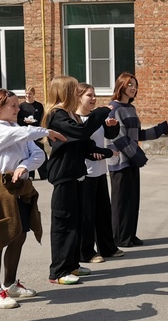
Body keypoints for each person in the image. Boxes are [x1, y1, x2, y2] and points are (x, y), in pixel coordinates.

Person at [0, 89, 67, 308]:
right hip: (0, 188)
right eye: (13, 106)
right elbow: (22, 134)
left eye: (18, 105)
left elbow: (38, 154)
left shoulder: (15, 127)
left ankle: (10, 284)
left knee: (19, 235)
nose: (18, 109)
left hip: (19, 186)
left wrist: (24, 166)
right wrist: (46, 131)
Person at [42, 76, 117, 285]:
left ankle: (72, 264)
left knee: (75, 222)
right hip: (64, 175)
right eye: (75, 90)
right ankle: (58, 271)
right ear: (65, 92)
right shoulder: (56, 115)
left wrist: (106, 152)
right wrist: (101, 112)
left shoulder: (70, 115)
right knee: (63, 223)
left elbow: (83, 143)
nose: (78, 94)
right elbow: (81, 132)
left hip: (77, 173)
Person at [107, 72, 168, 248]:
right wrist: (137, 156)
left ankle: (130, 234)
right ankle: (120, 237)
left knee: (132, 200)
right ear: (121, 86)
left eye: (135, 85)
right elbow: (118, 137)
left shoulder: (130, 108)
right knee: (121, 202)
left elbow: (137, 134)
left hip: (131, 160)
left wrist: (160, 129)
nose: (133, 88)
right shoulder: (114, 108)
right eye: (130, 85)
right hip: (120, 162)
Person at [77, 83, 125, 266]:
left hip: (100, 171)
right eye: (89, 95)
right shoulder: (76, 120)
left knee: (103, 212)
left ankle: (107, 247)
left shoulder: (95, 118)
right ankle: (86, 251)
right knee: (87, 215)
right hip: (85, 174)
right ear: (78, 97)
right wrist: (102, 152)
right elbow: (84, 145)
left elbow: (107, 135)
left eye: (94, 94)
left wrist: (112, 127)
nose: (94, 98)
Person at [17, 86, 48, 180]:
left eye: (30, 94)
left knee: (40, 151)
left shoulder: (38, 106)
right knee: (27, 153)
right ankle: (30, 174)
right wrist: (23, 121)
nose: (28, 95)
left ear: (34, 95)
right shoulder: (22, 106)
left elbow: (42, 118)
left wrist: (41, 128)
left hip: (36, 132)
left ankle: (44, 174)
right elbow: (18, 119)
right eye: (26, 94)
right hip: (26, 133)